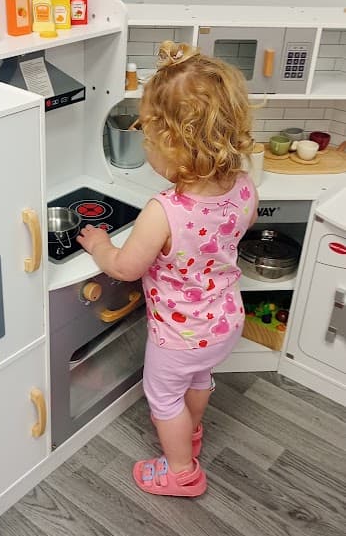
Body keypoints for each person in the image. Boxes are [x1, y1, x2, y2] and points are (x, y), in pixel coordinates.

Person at [77, 41, 258, 498]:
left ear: (174, 144)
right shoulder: (243, 187)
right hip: (224, 321)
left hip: (178, 335)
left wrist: (99, 244)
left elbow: (124, 266)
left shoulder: (163, 211)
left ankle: (181, 471)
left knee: (163, 397)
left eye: (150, 139)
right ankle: (190, 432)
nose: (147, 147)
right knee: (199, 379)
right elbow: (226, 237)